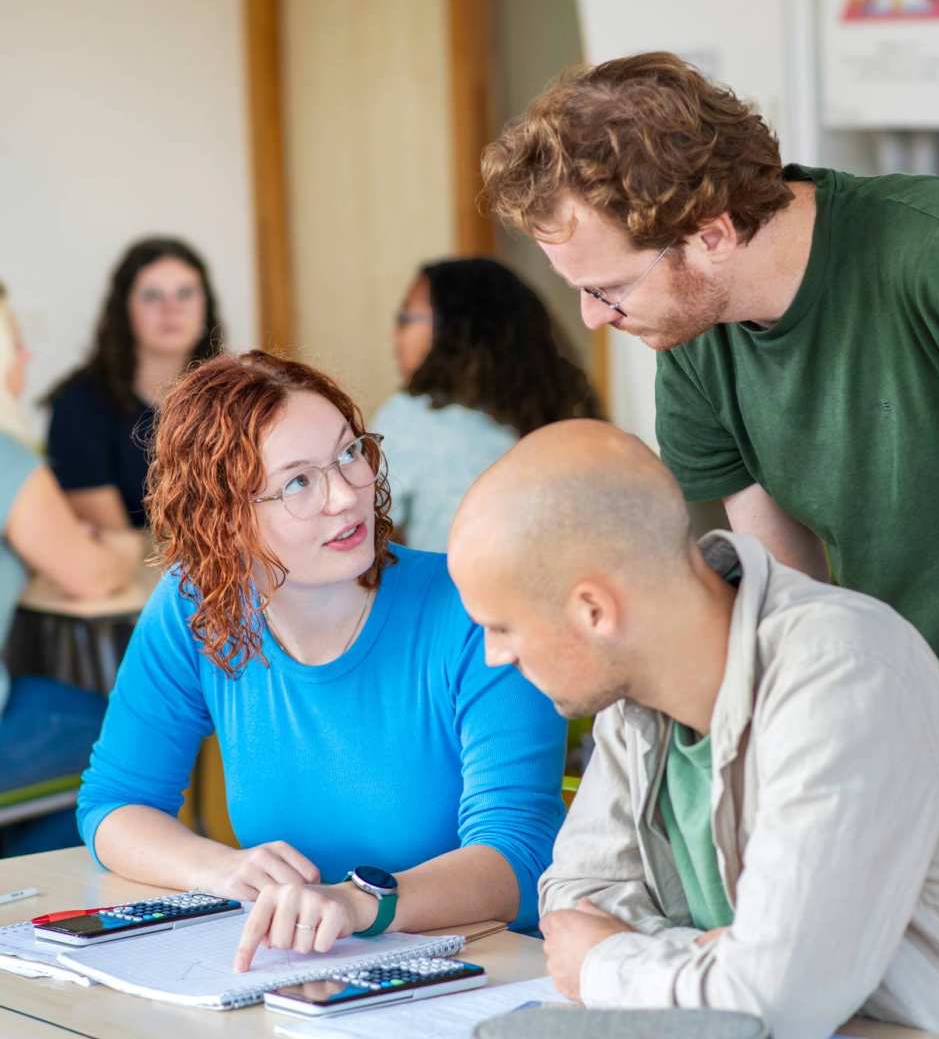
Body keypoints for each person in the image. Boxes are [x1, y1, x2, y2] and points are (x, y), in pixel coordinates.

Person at [480, 52, 939, 828]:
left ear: (712, 233)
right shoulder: (693, 339)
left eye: (608, 288)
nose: (592, 319)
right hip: (903, 741)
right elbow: (791, 593)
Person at [446, 419, 939, 1039]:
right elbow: (575, 899)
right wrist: (723, 960)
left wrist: (608, 961)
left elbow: (764, 1005)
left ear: (594, 611)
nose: (494, 655)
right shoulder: (634, 693)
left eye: (503, 626)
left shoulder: (842, 672)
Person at [76, 350, 566, 971]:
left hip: (488, 970)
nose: (345, 495)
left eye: (348, 453)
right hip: (313, 976)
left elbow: (519, 856)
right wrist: (223, 869)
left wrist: (364, 904)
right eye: (299, 482)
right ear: (225, 521)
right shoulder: (193, 607)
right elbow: (114, 805)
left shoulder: (474, 610)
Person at [0, 283, 140, 855]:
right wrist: (125, 545)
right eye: (15, 338)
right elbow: (94, 574)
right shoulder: (5, 455)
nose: (28, 356)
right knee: (133, 743)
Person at [373, 257, 600, 550]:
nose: (395, 334)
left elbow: (367, 529)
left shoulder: (412, 415)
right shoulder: (571, 418)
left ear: (454, 329)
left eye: (405, 318)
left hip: (457, 592)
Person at [45, 237, 224, 529]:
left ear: (206, 307)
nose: (171, 309)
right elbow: (114, 539)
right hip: (135, 571)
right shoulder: (78, 405)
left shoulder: (235, 395)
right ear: (124, 312)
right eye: (152, 296)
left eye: (185, 293)